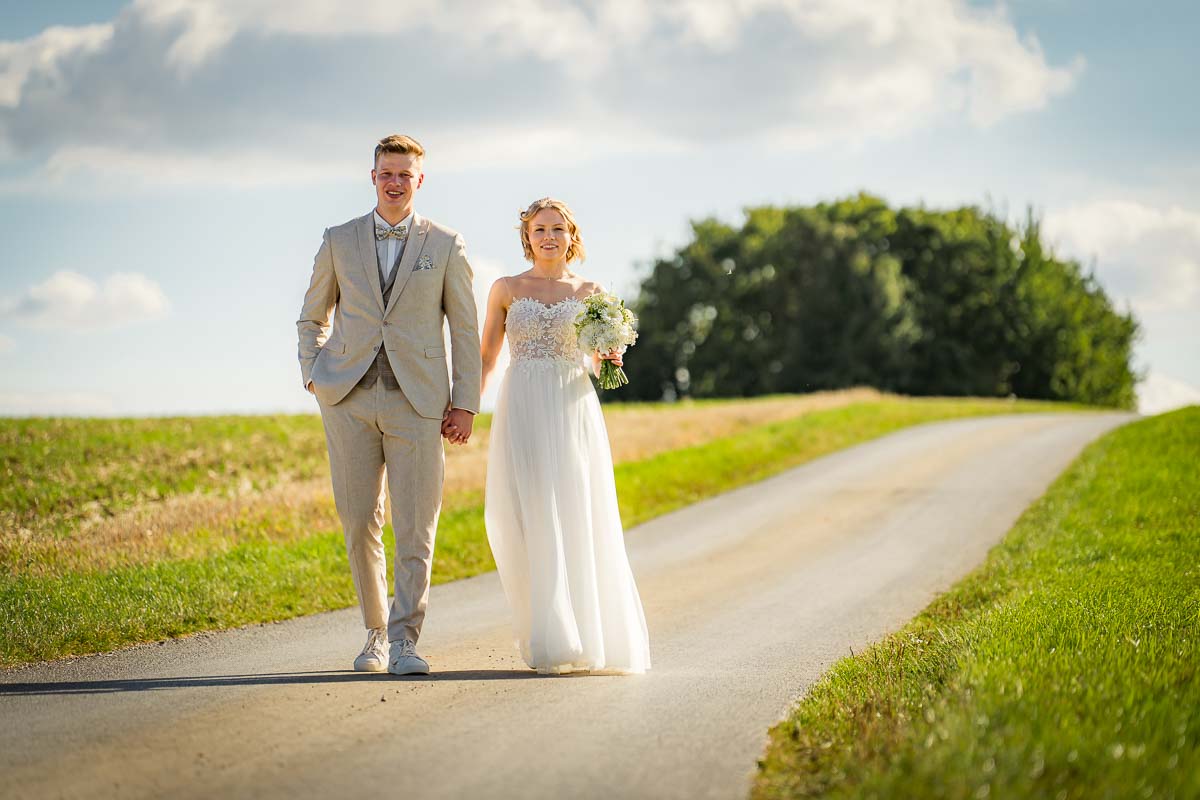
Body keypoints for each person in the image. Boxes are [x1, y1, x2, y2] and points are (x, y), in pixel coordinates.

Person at [297, 134, 481, 676]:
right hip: (347, 397)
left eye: (405, 174)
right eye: (386, 173)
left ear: (419, 180)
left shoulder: (445, 244)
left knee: (416, 525)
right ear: (372, 177)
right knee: (359, 521)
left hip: (418, 402)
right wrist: (312, 373)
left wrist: (465, 402)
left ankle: (405, 641)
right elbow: (312, 316)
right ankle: (375, 633)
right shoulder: (338, 239)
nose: (395, 182)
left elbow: (464, 330)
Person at [476, 197, 651, 674]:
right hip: (522, 407)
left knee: (578, 511)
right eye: (540, 229)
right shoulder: (506, 288)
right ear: (527, 237)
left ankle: (590, 637)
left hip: (572, 407)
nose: (549, 237)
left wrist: (609, 356)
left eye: (557, 229)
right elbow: (487, 357)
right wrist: (465, 408)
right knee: (531, 515)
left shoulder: (591, 291)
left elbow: (596, 360)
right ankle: (552, 635)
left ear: (572, 236)